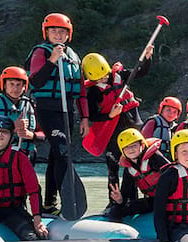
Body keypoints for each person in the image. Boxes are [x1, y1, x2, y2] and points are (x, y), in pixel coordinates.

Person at [24, 13, 89, 215]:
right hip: (47, 108)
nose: (58, 35)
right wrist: (52, 60)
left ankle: (49, 204)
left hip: (67, 109)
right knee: (62, 153)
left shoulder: (74, 56)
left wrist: (85, 117)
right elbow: (35, 82)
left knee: (55, 155)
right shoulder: (40, 53)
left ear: (68, 35)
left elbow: (81, 92)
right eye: (54, 31)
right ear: (47, 33)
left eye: (62, 32)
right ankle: (68, 202)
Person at [83, 51, 152, 196]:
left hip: (132, 127)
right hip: (112, 131)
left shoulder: (120, 76)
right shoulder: (94, 92)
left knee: (135, 164)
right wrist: (109, 115)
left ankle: (136, 197)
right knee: (112, 167)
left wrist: (147, 57)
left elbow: (142, 72)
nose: (105, 79)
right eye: (100, 79)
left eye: (106, 75)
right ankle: (113, 200)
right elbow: (93, 115)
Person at [0, 66, 43, 165]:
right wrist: (13, 128)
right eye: (11, 84)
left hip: (25, 156)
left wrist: (31, 135)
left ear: (24, 87)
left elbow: (42, 134)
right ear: (5, 85)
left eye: (19, 85)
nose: (15, 88)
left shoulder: (31, 106)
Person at [107, 128, 170, 223]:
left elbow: (172, 175)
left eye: (134, 146)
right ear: (123, 151)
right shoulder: (129, 169)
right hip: (153, 200)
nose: (131, 150)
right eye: (126, 147)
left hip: (170, 199)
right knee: (116, 211)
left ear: (142, 145)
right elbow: (127, 194)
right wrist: (120, 200)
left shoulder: (154, 157)